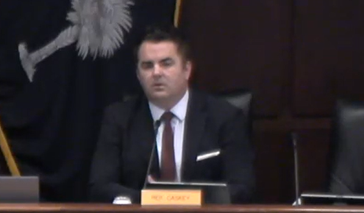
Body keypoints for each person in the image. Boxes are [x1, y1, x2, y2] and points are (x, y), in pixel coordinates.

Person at [88, 25, 255, 203]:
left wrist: (183, 200)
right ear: (138, 74)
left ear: (187, 70)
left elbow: (242, 187)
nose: (156, 73)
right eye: (147, 66)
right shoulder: (118, 118)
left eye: (166, 64)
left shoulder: (225, 117)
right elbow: (100, 186)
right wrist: (151, 199)